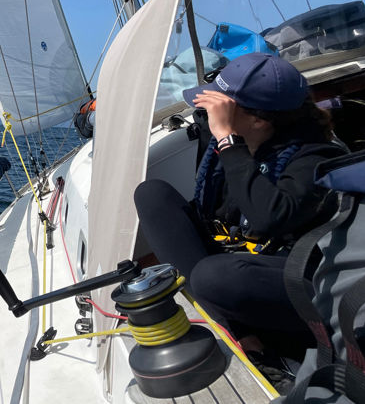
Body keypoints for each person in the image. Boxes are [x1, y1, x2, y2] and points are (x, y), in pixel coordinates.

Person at [134, 52, 345, 371]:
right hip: (238, 250)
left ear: (259, 120)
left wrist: (229, 142)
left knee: (211, 277)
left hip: (294, 277)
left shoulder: (315, 157)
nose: (209, 115)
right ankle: (240, 329)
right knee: (151, 195)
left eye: (222, 109)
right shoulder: (245, 141)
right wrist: (225, 140)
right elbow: (215, 210)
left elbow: (269, 216)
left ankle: (254, 339)